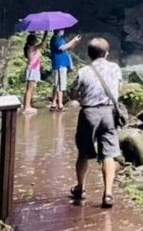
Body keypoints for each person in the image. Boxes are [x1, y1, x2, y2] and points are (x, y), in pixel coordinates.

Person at [69, 37, 123, 208]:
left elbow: (74, 94)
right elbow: (119, 89)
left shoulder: (83, 71)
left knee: (83, 153)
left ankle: (81, 188)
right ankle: (108, 194)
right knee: (109, 154)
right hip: (108, 113)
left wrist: (82, 96)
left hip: (88, 113)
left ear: (89, 54)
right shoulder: (115, 68)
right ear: (107, 53)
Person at [50, 29, 82, 111]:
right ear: (57, 30)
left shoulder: (60, 39)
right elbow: (63, 48)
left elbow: (68, 48)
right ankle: (60, 105)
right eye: (61, 29)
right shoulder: (55, 39)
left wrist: (76, 42)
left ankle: (54, 103)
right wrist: (73, 40)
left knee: (57, 84)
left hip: (62, 64)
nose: (62, 30)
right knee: (60, 85)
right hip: (59, 64)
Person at [22, 34, 40, 114]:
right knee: (30, 89)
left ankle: (28, 106)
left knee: (29, 89)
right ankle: (27, 107)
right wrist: (45, 35)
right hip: (32, 69)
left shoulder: (30, 48)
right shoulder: (32, 48)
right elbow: (42, 44)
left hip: (32, 69)